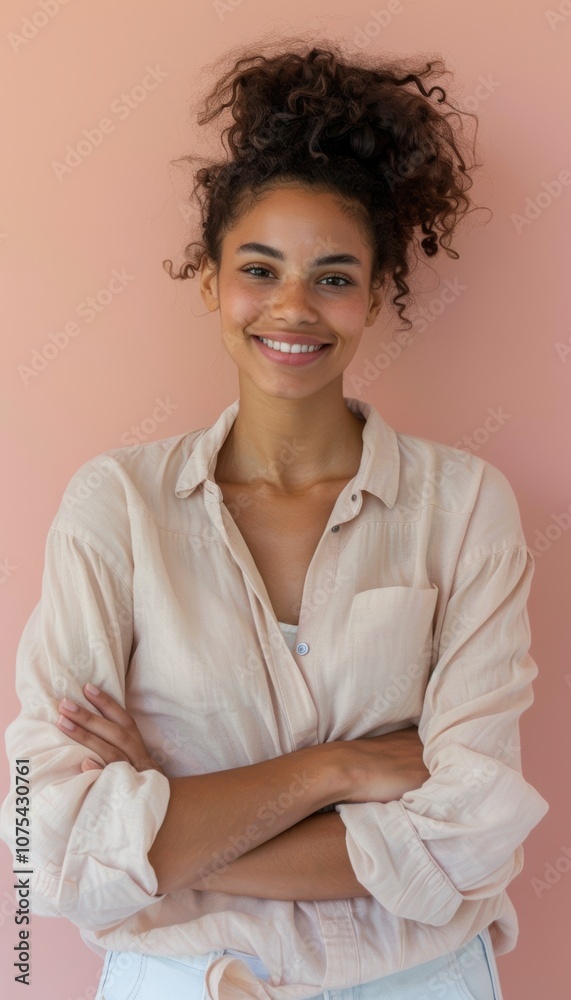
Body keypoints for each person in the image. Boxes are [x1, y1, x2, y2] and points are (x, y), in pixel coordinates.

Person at [0, 34, 549, 1000]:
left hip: (417, 977)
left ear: (375, 295)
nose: (292, 308)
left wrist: (163, 828)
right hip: (179, 980)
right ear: (209, 281)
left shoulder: (463, 508)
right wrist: (334, 771)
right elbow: (38, 838)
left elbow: (467, 837)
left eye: (333, 277)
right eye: (259, 269)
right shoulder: (115, 506)